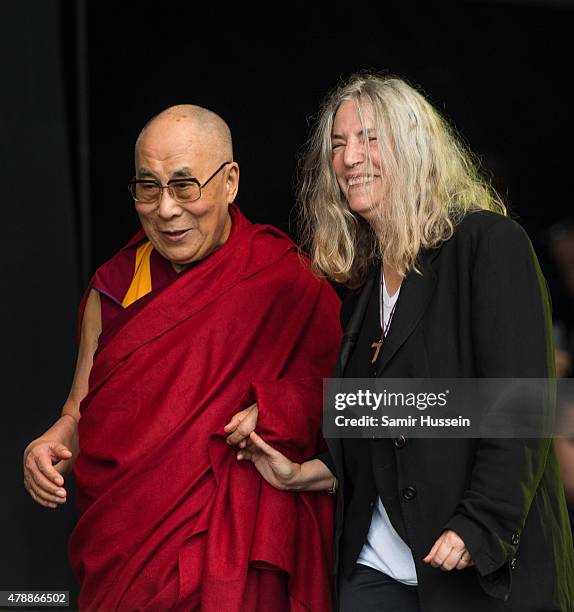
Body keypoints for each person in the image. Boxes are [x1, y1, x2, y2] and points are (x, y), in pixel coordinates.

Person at [233, 74, 574, 611]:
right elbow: (390, 418)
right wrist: (313, 473)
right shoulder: (368, 284)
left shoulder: (487, 243)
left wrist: (480, 523)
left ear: (415, 148)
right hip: (377, 568)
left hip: (472, 563)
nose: (349, 158)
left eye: (370, 138)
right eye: (339, 144)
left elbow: (522, 407)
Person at [22, 105, 342, 611]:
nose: (165, 209)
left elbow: (350, 406)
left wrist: (279, 408)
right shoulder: (116, 286)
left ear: (230, 181)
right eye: (148, 187)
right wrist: (50, 441)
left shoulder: (287, 283)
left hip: (232, 559)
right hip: (126, 558)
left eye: (184, 186)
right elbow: (78, 412)